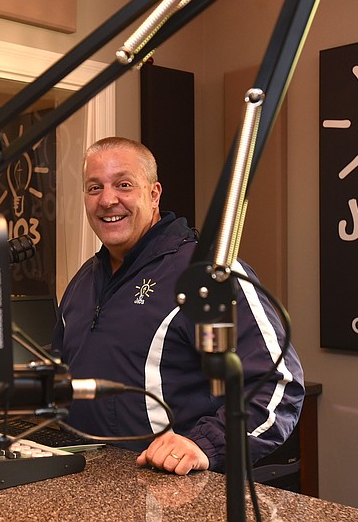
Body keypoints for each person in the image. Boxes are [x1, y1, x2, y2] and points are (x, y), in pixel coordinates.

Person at [53, 136, 304, 476]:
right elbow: (62, 373)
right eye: (94, 188)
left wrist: (205, 444)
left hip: (169, 490)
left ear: (154, 194)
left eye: (123, 185)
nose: (107, 200)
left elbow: (278, 383)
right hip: (84, 481)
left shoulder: (206, 273)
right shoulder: (84, 280)